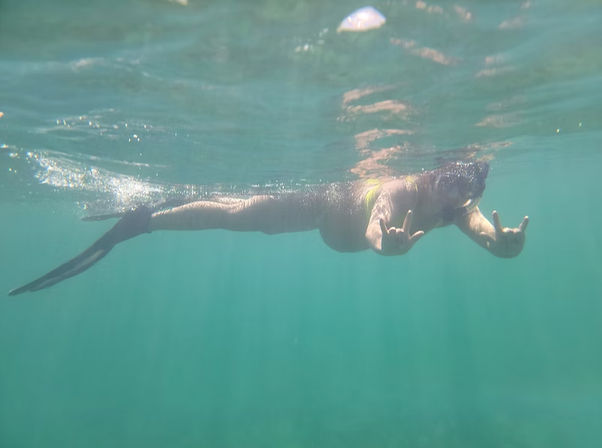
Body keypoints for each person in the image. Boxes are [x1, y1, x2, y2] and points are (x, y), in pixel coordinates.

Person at [8, 160, 528, 295]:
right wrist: (385, 247)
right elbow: (378, 228)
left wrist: (504, 248)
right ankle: (148, 218)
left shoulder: (458, 208)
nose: (457, 193)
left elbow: (487, 236)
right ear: (432, 174)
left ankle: (166, 205)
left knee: (244, 211)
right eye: (450, 181)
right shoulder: (400, 189)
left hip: (336, 231)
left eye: (468, 186)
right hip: (329, 209)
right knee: (243, 216)